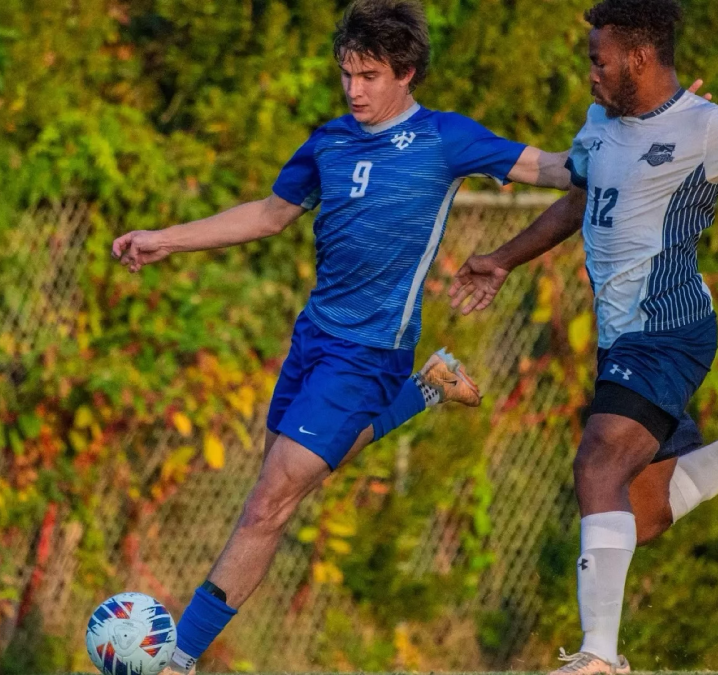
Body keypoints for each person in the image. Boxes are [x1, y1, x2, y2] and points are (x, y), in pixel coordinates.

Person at [109, 1, 625, 671]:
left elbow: (556, 168)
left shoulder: (446, 139)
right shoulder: (327, 141)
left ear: (406, 73)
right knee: (278, 489)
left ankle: (175, 657)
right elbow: (269, 216)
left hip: (370, 352)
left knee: (270, 499)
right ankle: (422, 391)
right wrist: (165, 239)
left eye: (370, 76)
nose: (354, 90)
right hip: (313, 339)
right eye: (347, 74)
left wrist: (631, 124)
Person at [446, 0, 718, 671]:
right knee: (642, 513)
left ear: (638, 57)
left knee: (596, 462)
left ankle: (599, 656)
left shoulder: (709, 127)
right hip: (621, 337)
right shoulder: (601, 124)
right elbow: (581, 198)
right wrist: (503, 258)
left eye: (598, 59)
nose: (589, 73)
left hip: (669, 329)